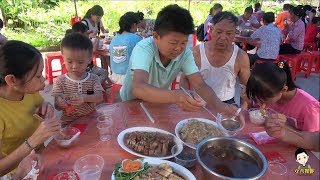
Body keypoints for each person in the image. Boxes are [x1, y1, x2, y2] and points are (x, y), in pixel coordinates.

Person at [120, 5, 237, 115]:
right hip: (131, 104)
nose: (178, 48)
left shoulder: (185, 53)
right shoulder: (144, 49)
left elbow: (200, 84)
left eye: (183, 43)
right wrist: (176, 96)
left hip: (157, 102)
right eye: (173, 43)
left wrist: (224, 108)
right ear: (156, 37)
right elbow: (139, 88)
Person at [0, 41, 60, 176]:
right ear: (12, 80)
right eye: (38, 76)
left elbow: (42, 103)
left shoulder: (27, 91)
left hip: (42, 159)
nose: (43, 79)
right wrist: (34, 140)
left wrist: (46, 107)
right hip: (18, 173)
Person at [192, 12, 250, 109]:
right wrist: (189, 98)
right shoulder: (197, 52)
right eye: (219, 32)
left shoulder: (241, 56)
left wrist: (243, 109)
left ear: (235, 33)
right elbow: (184, 78)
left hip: (228, 104)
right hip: (199, 102)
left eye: (229, 33)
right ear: (211, 30)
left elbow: (246, 87)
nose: (223, 37)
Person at [246, 61, 319, 138]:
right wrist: (246, 102)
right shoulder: (265, 94)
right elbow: (254, 113)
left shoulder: (309, 107)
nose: (260, 101)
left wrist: (286, 127)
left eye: (264, 99)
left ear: (284, 90)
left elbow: (312, 140)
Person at [52, 33, 104, 125]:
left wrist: (84, 98)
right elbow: (57, 106)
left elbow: (99, 97)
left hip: (90, 121)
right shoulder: (60, 81)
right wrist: (60, 103)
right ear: (63, 58)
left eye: (80, 62)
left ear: (89, 59)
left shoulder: (93, 79)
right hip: (68, 123)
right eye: (69, 61)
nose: (74, 66)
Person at [71, 22, 112, 87]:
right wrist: (97, 39)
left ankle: (98, 84)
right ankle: (92, 85)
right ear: (81, 33)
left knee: (100, 70)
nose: (88, 33)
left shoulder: (73, 42)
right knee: (105, 73)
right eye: (86, 32)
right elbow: (94, 50)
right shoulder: (84, 42)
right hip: (87, 70)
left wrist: (90, 34)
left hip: (77, 69)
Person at [109, 12, 142, 85]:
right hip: (129, 79)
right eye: (137, 26)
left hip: (114, 77)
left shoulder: (114, 39)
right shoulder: (136, 39)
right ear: (133, 25)